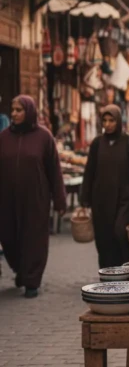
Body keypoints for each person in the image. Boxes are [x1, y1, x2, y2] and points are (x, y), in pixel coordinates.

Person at [0, 95, 66, 298]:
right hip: (7, 200)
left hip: (36, 200)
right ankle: (21, 269)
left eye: (19, 110)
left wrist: (59, 199)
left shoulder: (44, 137)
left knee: (34, 239)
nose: (14, 114)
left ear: (29, 112)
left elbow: (54, 170)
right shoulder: (3, 137)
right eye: (13, 110)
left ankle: (32, 280)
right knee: (9, 238)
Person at [81, 106, 129, 269]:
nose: (108, 124)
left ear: (118, 121)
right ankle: (107, 272)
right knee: (104, 237)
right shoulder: (97, 143)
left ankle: (126, 269)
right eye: (105, 120)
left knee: (120, 232)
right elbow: (90, 171)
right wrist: (85, 198)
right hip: (101, 200)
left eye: (112, 120)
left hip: (125, 199)